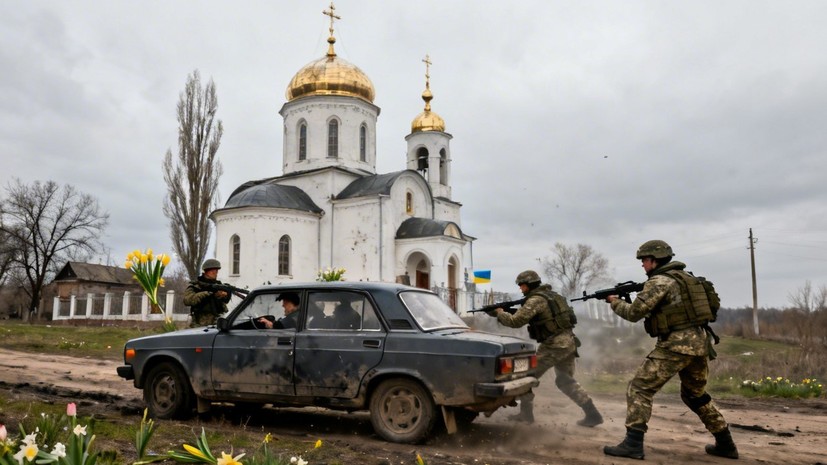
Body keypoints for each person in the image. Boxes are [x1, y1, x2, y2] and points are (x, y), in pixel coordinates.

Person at [603, 240, 738, 460]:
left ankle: (633, 444)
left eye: (644, 261)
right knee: (695, 395)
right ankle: (726, 443)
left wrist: (614, 302)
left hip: (676, 345)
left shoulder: (660, 281)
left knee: (639, 388)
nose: (642, 265)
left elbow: (634, 313)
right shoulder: (687, 278)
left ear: (654, 260)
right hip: (700, 343)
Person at [488, 270, 603, 427]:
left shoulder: (535, 300)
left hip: (554, 345)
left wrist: (500, 313)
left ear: (528, 285)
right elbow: (534, 315)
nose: (520, 289)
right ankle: (593, 414)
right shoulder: (551, 296)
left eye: (521, 285)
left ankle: (526, 415)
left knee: (525, 376)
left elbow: (516, 321)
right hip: (568, 342)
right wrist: (504, 312)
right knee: (565, 380)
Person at [183, 259, 231, 327]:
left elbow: (225, 301)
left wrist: (223, 295)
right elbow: (187, 300)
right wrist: (207, 293)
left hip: (218, 323)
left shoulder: (218, 286)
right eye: (213, 271)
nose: (215, 273)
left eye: (216, 271)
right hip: (200, 325)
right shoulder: (196, 286)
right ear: (206, 271)